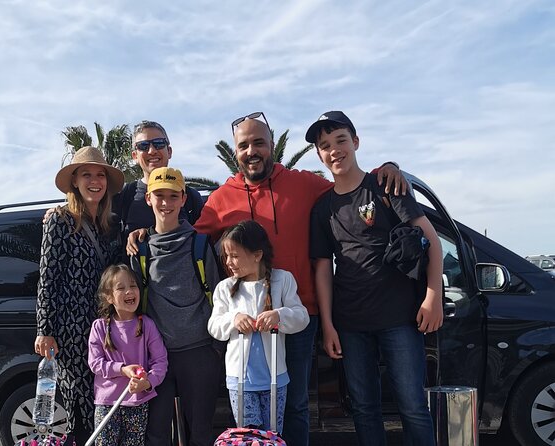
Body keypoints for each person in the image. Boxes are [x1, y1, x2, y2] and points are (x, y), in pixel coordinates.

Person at [190, 112, 407, 446]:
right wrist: (145, 236)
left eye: (259, 142)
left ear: (272, 145)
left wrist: (385, 168)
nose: (252, 151)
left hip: (300, 315)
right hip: (249, 325)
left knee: (297, 406)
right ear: (235, 152)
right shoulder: (221, 198)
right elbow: (188, 242)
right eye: (244, 145)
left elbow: (348, 183)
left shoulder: (303, 183)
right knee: (253, 416)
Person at [307, 110, 443, 446]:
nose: (334, 149)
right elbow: (322, 268)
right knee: (364, 408)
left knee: (412, 406)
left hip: (400, 318)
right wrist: (328, 325)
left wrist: (432, 296)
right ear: (319, 155)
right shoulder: (322, 208)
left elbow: (433, 242)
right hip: (350, 323)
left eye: (340, 140)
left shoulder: (386, 186)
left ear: (355, 141)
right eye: (325, 145)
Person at [35, 146, 125, 446]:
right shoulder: (59, 220)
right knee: (80, 404)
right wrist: (45, 330)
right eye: (86, 174)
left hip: (106, 327)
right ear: (75, 180)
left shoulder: (113, 226)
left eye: (100, 174)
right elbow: (48, 278)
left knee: (106, 402)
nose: (94, 180)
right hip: (71, 332)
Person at [129, 166, 222, 446]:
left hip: (199, 352)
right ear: (148, 198)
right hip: (157, 357)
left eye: (173, 196)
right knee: (156, 435)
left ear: (183, 199)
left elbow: (218, 296)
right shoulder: (140, 248)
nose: (166, 203)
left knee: (201, 433)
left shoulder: (200, 244)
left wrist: (216, 349)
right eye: (159, 196)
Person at [208, 220, 309, 433]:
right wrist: (234, 319)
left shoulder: (283, 279)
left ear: (257, 254)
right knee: (248, 434)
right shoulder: (225, 288)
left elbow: (302, 317)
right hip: (240, 381)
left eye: (235, 256)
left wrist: (278, 315)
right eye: (226, 256)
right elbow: (214, 326)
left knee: (273, 434)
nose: (229, 262)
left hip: (275, 378)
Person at [88, 264, 168, 446]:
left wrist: (148, 382)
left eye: (133, 286)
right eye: (121, 288)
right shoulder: (99, 327)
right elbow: (95, 363)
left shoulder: (147, 325)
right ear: (109, 297)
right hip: (106, 402)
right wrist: (122, 370)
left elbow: (160, 361)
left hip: (137, 403)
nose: (129, 291)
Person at [112, 120, 204, 248]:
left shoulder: (191, 198)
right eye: (143, 146)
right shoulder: (125, 195)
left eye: (159, 144)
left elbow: (203, 241)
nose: (152, 151)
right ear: (135, 156)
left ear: (169, 151)